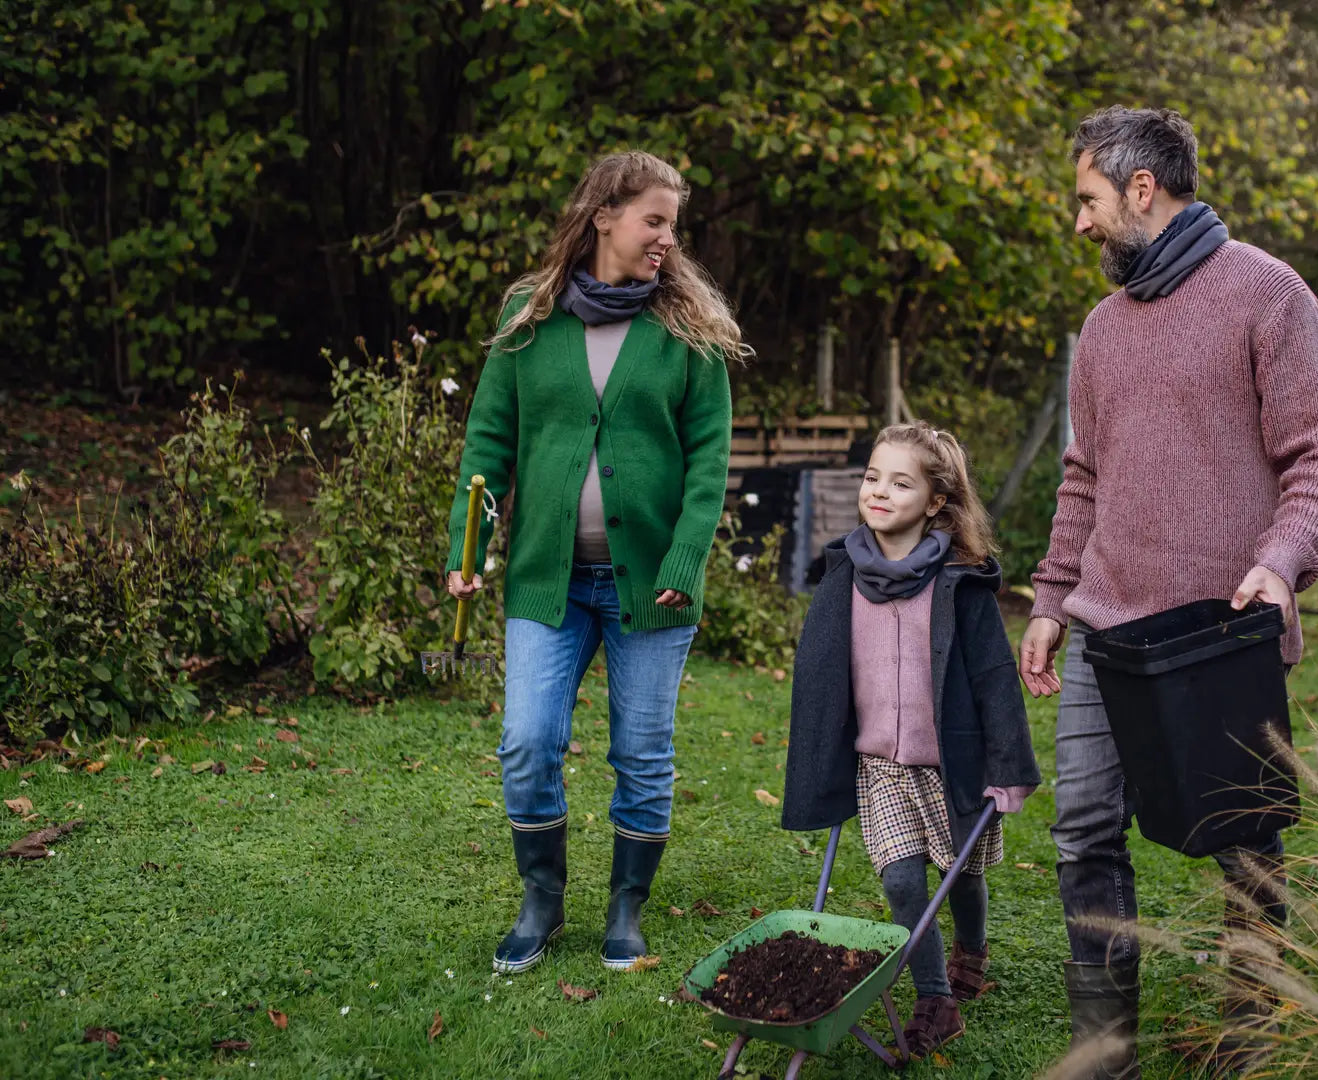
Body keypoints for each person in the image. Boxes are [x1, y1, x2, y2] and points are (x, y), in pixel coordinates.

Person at [1020, 107, 1318, 1077]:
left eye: (1086, 200)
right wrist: (1049, 601)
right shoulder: (1101, 330)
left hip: (1223, 630)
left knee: (1245, 846)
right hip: (1104, 627)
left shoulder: (1267, 296)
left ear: (1140, 189)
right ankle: (1105, 1051)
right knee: (1084, 830)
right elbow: (1083, 478)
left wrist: (1284, 559)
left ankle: (1250, 1042)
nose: (1078, 222)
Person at [445, 150, 747, 975]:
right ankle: (541, 898)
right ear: (604, 214)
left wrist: (686, 557)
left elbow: (709, 460)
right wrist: (466, 548)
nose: (667, 241)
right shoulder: (529, 314)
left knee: (642, 753)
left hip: (652, 584)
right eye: (655, 221)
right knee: (527, 740)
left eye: (673, 227)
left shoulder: (688, 330)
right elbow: (489, 442)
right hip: (548, 580)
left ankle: (626, 908)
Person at [781, 421, 1042, 1058]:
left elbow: (991, 675)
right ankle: (935, 998)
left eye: (901, 483)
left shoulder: (961, 583)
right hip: (880, 764)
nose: (880, 491)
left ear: (935, 503)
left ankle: (971, 949)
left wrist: (1007, 763)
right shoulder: (842, 575)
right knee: (901, 882)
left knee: (964, 875)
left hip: (951, 763)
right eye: (873, 477)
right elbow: (820, 672)